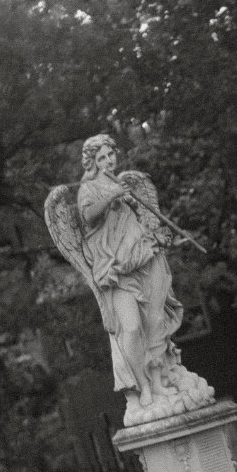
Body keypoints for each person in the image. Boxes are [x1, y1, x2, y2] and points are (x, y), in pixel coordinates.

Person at [76, 134, 183, 411]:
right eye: (101, 158)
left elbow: (141, 219)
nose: (107, 161)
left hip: (143, 256)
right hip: (116, 268)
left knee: (155, 321)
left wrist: (133, 202)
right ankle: (142, 385)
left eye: (110, 155)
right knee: (132, 328)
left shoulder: (125, 184)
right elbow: (88, 217)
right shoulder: (88, 189)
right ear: (92, 163)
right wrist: (112, 194)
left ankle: (157, 381)